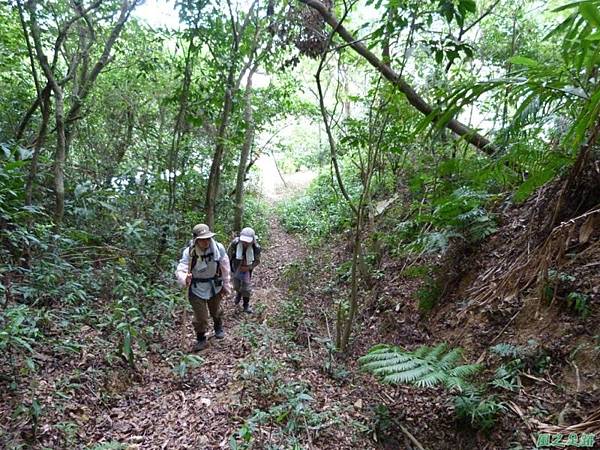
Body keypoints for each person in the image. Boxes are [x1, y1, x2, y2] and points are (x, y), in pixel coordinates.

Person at [176, 224, 232, 351]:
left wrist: (226, 284)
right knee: (201, 316)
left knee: (216, 310)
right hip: (196, 287)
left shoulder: (218, 248)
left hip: (214, 286)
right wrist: (184, 277)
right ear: (196, 240)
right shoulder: (189, 252)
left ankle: (218, 327)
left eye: (208, 238)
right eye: (202, 239)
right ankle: (201, 338)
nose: (206, 241)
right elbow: (181, 267)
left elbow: (225, 267)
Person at [227, 227, 261, 313]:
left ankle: (246, 305)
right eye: (244, 241)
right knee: (236, 286)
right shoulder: (235, 244)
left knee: (246, 288)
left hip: (247, 269)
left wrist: (248, 267)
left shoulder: (256, 248)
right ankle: (239, 293)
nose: (245, 243)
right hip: (235, 267)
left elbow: (257, 261)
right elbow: (228, 255)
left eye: (248, 241)